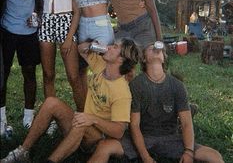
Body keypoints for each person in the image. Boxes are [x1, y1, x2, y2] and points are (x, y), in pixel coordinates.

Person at [0, 38, 140, 163]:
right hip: (82, 126)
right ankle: (23, 151)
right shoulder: (101, 65)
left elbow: (119, 131)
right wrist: (92, 45)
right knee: (51, 103)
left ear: (121, 59)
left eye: (115, 47)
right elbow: (81, 49)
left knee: (82, 123)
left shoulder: (122, 92)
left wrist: (93, 119)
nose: (109, 47)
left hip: (97, 139)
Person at [89, 42, 224, 163]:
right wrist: (145, 157)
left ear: (164, 57)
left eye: (158, 47)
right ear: (143, 58)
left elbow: (187, 123)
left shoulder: (177, 86)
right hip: (142, 137)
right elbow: (134, 126)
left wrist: (188, 151)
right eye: (150, 47)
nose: (155, 48)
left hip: (170, 137)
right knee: (105, 146)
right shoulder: (137, 85)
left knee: (213, 155)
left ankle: (190, 110)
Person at [0, 0, 50, 135]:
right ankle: (1, 122)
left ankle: (28, 119)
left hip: (29, 32)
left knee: (29, 74)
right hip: (5, 29)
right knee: (1, 76)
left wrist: (37, 14)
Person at [35, 0, 84, 111]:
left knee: (73, 76)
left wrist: (69, 39)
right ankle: (51, 115)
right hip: (46, 24)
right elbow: (38, 5)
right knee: (48, 75)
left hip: (66, 23)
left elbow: (77, 12)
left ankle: (82, 116)